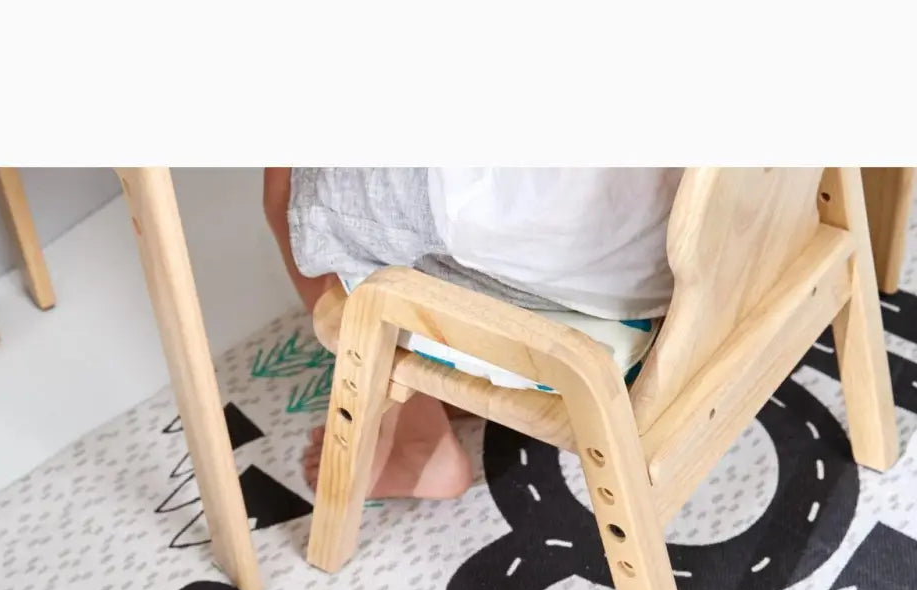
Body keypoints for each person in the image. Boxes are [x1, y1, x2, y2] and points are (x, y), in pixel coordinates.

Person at [263, 167, 682, 500]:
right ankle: (438, 390)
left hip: (589, 247)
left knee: (288, 182)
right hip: (689, 235)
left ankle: (419, 444)